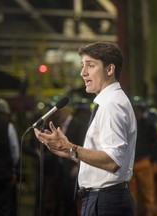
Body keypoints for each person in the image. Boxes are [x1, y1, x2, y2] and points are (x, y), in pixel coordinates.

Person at [33, 42, 137, 216]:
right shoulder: (109, 102)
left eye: (91, 65)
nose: (83, 73)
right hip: (103, 199)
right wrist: (66, 151)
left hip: (105, 202)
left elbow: (112, 161)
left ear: (109, 69)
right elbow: (102, 161)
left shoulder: (112, 105)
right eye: (82, 65)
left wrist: (70, 148)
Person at [129, 96, 157, 216]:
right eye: (134, 108)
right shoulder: (127, 125)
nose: (136, 111)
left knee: (148, 194)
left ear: (142, 110)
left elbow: (155, 145)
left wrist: (155, 162)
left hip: (144, 162)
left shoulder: (149, 126)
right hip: (130, 164)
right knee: (132, 195)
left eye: (138, 109)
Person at [0, 95, 20, 216]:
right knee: (3, 208)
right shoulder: (7, 125)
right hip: (3, 175)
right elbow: (15, 151)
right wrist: (11, 166)